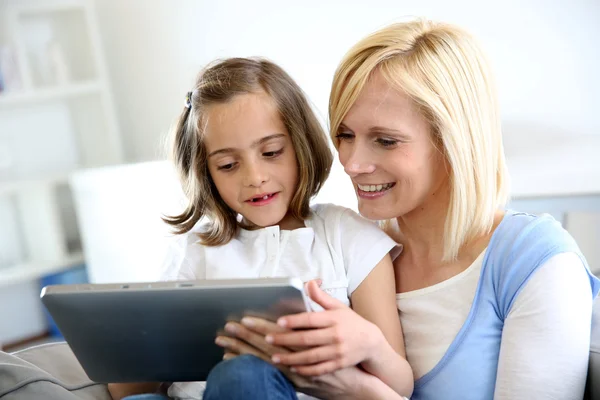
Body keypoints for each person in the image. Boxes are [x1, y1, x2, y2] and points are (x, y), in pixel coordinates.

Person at [210, 19, 600, 399]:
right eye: (344, 135)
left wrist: (358, 392)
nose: (351, 162)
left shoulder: (534, 261)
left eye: (385, 140)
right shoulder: (349, 250)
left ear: (452, 141)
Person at [107, 57, 413, 400]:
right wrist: (147, 348)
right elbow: (122, 388)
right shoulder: (193, 251)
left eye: (271, 152)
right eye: (227, 165)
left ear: (300, 145)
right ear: (206, 172)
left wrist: (369, 345)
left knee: (243, 376)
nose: (254, 178)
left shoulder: (349, 237)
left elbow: (400, 385)